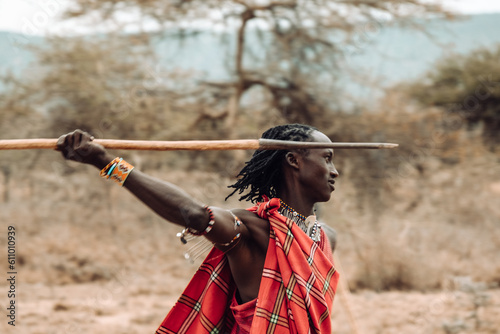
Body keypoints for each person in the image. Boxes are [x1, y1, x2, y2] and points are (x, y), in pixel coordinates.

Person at [57, 124, 340, 334]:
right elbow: (194, 214)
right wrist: (104, 161)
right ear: (294, 161)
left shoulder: (325, 237)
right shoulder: (253, 230)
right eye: (326, 158)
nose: (334, 170)